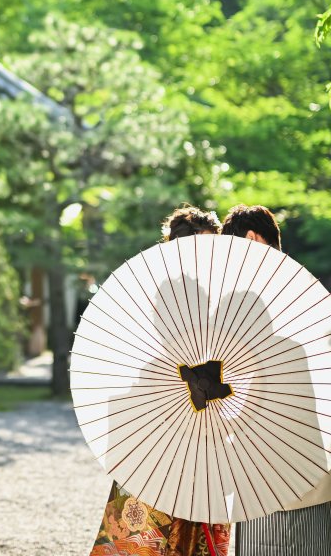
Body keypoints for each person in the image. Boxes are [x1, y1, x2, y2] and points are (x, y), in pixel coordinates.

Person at [88, 204, 230, 556]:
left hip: (194, 407)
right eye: (208, 245)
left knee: (189, 526)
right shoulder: (172, 288)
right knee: (149, 524)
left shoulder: (205, 288)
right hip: (163, 399)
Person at [220, 204, 331, 556]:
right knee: (298, 538)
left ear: (251, 238)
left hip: (273, 442)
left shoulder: (262, 285)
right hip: (293, 440)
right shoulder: (292, 284)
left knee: (275, 539)